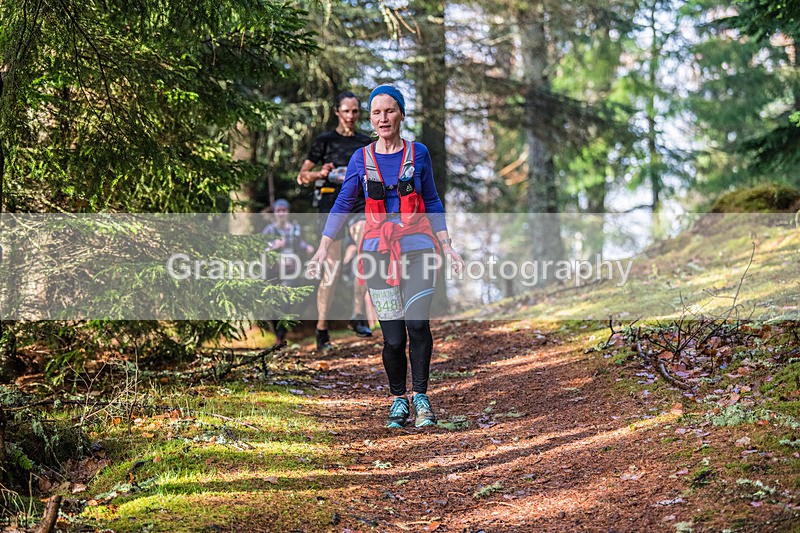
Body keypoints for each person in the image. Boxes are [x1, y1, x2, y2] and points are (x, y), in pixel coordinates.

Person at [308, 85, 464, 429]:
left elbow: (433, 201)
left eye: (389, 111)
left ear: (401, 114)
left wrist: (447, 245)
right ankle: (398, 400)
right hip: (377, 251)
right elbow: (343, 203)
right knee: (393, 337)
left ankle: (421, 397)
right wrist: (323, 246)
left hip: (419, 247)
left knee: (417, 324)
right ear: (371, 118)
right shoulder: (360, 159)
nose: (383, 118)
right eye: (376, 112)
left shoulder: (418, 153)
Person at [297, 91, 373, 350]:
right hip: (331, 204)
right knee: (333, 267)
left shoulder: (365, 142)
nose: (351, 116)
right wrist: (321, 172)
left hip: (360, 204)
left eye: (355, 111)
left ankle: (358, 315)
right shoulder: (325, 141)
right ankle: (321, 327)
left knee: (367, 250)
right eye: (347, 111)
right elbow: (303, 176)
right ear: (337, 112)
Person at [262, 199, 315, 348]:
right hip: (273, 272)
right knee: (274, 304)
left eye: (284, 210)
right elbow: (260, 248)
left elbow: (299, 243)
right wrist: (274, 246)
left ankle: (280, 337)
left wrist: (307, 247)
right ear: (274, 213)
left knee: (285, 302)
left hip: (291, 271)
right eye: (278, 211)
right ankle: (278, 337)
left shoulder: (295, 228)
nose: (281, 213)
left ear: (288, 212)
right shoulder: (269, 230)